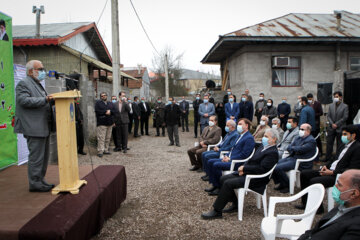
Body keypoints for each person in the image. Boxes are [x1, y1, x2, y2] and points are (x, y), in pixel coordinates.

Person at [201, 128, 279, 220]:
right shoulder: (263, 147)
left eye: (266, 137)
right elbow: (251, 160)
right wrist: (243, 168)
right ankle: (235, 204)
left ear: (274, 139)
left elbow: (262, 169)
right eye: (264, 136)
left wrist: (245, 169)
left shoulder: (272, 152)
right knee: (223, 179)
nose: (263, 138)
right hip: (249, 173)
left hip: (256, 179)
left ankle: (217, 211)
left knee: (228, 183)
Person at [296, 125, 360, 213]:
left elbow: (352, 169)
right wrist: (325, 166)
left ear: (353, 135)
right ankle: (306, 203)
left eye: (345, 134)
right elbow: (334, 159)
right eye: (342, 134)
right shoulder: (343, 145)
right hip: (330, 170)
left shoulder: (357, 148)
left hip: (338, 175)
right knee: (304, 174)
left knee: (314, 181)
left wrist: (332, 172)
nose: (343, 136)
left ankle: (317, 208)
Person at [14, 60, 54, 192]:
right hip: (34, 127)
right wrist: (45, 99)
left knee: (43, 157)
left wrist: (52, 102)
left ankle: (40, 180)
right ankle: (35, 183)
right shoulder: (24, 83)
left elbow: (42, 101)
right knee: (36, 157)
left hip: (43, 126)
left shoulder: (37, 84)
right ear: (31, 71)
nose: (43, 71)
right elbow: (23, 100)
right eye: (40, 69)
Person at [298, 169, 360, 240]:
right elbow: (315, 230)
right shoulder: (343, 206)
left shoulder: (356, 225)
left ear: (354, 193)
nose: (335, 186)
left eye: (339, 185)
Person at [204, 118, 256, 195]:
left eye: (241, 124)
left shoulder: (249, 138)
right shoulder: (240, 135)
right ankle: (215, 185)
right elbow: (232, 149)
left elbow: (244, 155)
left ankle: (219, 188)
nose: (238, 126)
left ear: (246, 126)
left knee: (216, 164)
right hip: (230, 159)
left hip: (237, 163)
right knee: (211, 161)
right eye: (238, 124)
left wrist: (230, 158)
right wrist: (227, 156)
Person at [272, 123, 317, 193]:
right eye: (300, 129)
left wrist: (295, 148)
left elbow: (301, 150)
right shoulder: (298, 138)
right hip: (292, 158)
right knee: (273, 164)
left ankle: (287, 185)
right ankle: (282, 182)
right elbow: (289, 147)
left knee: (278, 168)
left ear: (308, 131)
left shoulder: (311, 140)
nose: (300, 131)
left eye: (302, 129)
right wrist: (295, 148)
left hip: (301, 162)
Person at [326, 91, 349, 161]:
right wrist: (332, 123)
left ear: (340, 97)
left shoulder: (345, 106)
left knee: (340, 144)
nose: (335, 98)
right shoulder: (331, 106)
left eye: (337, 96)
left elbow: (345, 117)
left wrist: (337, 124)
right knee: (329, 143)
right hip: (331, 127)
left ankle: (338, 158)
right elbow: (328, 115)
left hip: (340, 127)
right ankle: (328, 157)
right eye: (334, 97)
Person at [95, 92, 114, 157]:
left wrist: (110, 112)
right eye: (102, 96)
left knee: (108, 138)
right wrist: (106, 112)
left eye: (104, 95)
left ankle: (106, 150)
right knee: (101, 138)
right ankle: (100, 151)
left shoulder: (110, 103)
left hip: (109, 123)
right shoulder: (98, 103)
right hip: (102, 123)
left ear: (107, 96)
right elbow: (97, 111)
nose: (103, 97)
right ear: (100, 97)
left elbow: (114, 111)